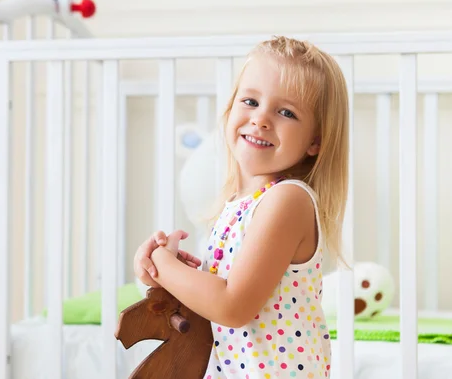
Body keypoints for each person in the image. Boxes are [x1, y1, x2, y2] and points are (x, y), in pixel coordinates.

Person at [134, 36, 350, 379]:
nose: (261, 119)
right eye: (250, 101)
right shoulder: (237, 205)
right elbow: (217, 302)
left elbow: (232, 306)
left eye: (286, 112)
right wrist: (166, 274)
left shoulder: (287, 199)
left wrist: (161, 263)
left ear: (315, 141)